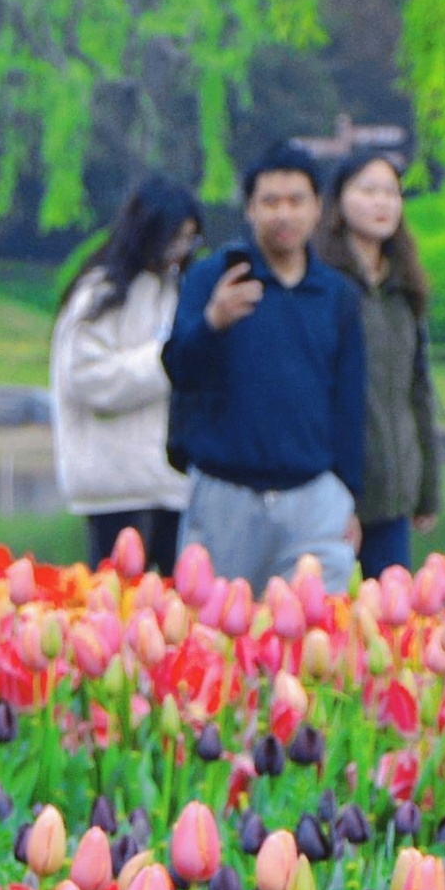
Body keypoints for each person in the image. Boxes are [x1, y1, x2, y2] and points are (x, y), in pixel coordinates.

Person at [164, 142, 366, 592]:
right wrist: (213, 321)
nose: (284, 215)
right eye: (270, 202)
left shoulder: (337, 296)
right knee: (214, 636)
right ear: (251, 210)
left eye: (296, 201)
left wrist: (349, 495)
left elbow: (350, 403)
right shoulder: (210, 279)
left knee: (312, 641)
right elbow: (179, 370)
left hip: (313, 495)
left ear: (317, 209)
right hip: (226, 493)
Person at [51, 178, 202, 571]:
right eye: (173, 239)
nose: (179, 251)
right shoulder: (101, 292)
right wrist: (166, 361)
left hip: (172, 484)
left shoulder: (179, 289)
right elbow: (86, 379)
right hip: (117, 487)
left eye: (189, 240)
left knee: (175, 610)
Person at [320, 149, 442, 575]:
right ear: (338, 201)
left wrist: (427, 491)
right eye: (368, 191)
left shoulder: (404, 288)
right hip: (334, 496)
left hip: (394, 496)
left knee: (394, 624)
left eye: (391, 192)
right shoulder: (323, 286)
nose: (382, 203)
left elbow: (419, 391)